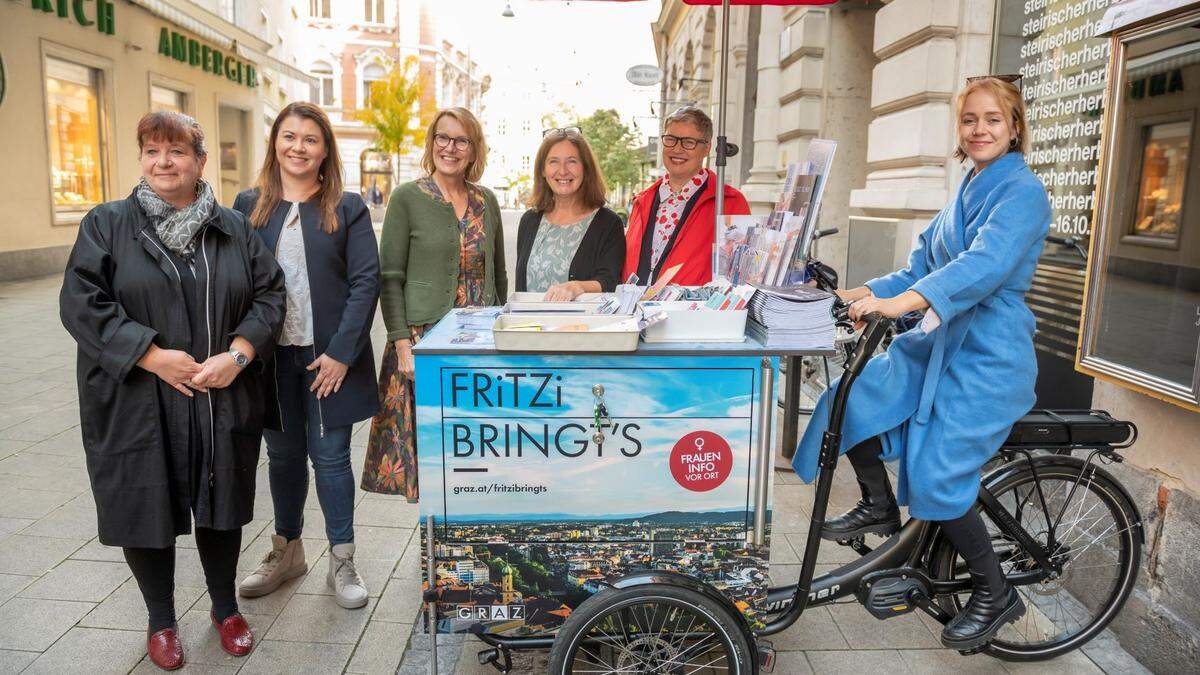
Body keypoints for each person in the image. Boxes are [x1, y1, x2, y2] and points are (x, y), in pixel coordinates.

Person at [792, 77, 1050, 650]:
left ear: (1014, 127)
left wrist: (900, 306)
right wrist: (854, 297)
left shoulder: (1023, 193)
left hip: (987, 356)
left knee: (938, 472)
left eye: (992, 119)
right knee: (848, 399)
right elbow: (915, 270)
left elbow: (984, 266)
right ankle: (879, 507)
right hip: (935, 341)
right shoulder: (966, 190)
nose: (979, 129)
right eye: (969, 120)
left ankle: (995, 590)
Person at [59, 111, 286, 670]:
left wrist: (239, 355)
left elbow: (269, 296)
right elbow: (81, 302)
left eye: (177, 151)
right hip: (138, 397)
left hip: (219, 392)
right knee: (145, 500)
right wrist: (152, 356)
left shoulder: (234, 229)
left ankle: (225, 608)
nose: (164, 162)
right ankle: (160, 619)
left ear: (199, 161)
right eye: (152, 150)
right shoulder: (107, 224)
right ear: (141, 159)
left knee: (222, 502)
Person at [232, 102, 380, 610]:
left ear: (324, 151)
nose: (298, 146)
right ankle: (286, 551)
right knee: (284, 457)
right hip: (270, 361)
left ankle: (342, 559)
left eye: (310, 139)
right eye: (289, 136)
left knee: (332, 458)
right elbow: (235, 283)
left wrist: (342, 353)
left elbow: (365, 282)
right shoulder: (249, 205)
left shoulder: (348, 206)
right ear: (275, 142)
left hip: (327, 360)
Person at [363, 107, 507, 499]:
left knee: (475, 444)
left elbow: (499, 276)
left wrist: (502, 339)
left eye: (461, 140)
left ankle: (469, 533)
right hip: (423, 340)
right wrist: (402, 343)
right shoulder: (407, 197)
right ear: (432, 144)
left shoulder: (486, 201)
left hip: (478, 343)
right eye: (442, 137)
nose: (450, 147)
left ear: (474, 149)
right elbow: (390, 276)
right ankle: (434, 544)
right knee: (431, 447)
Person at [623, 106, 750, 285]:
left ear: (707, 148)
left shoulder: (730, 202)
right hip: (637, 310)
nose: (677, 149)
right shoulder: (642, 201)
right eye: (671, 139)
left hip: (694, 311)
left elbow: (739, 273)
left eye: (688, 142)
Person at [515, 127, 625, 300]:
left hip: (582, 325)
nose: (563, 170)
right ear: (543, 171)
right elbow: (520, 289)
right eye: (553, 161)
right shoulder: (530, 220)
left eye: (572, 161)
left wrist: (577, 286)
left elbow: (610, 282)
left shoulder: (608, 223)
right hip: (532, 325)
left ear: (585, 168)